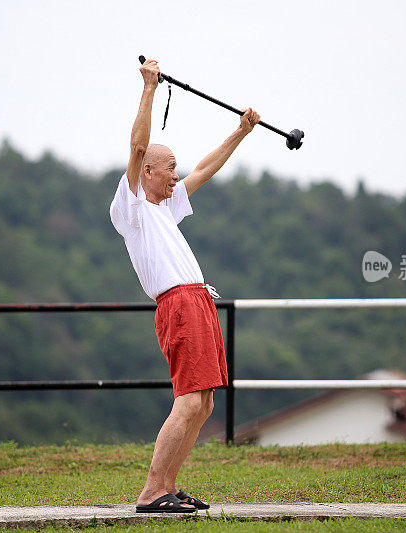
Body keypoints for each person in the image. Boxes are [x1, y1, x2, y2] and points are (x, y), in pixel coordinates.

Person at [110, 58, 260, 514]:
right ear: (149, 172)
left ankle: (167, 489)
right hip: (177, 303)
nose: (177, 174)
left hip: (197, 299)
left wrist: (241, 132)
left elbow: (204, 169)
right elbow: (137, 148)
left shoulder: (166, 206)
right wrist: (149, 88)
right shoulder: (133, 205)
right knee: (189, 398)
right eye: (169, 167)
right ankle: (152, 492)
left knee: (205, 402)